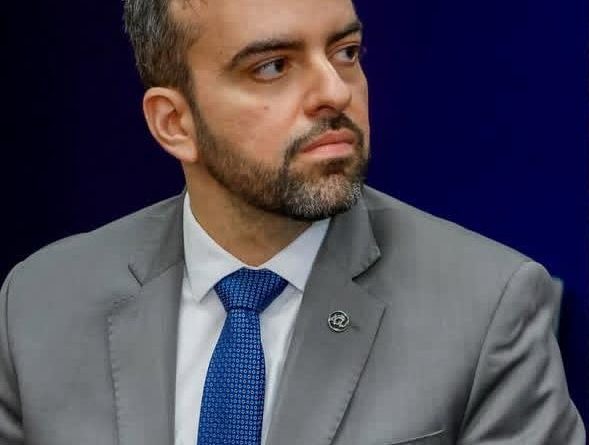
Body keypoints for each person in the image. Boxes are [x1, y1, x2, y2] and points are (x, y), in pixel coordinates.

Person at [0, 0, 584, 443]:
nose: (334, 92)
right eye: (274, 66)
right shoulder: (39, 302)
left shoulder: (487, 307)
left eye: (346, 53)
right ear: (174, 123)